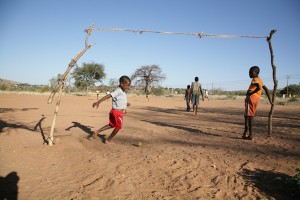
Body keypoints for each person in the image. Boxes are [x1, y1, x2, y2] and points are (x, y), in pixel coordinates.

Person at [92, 75, 131, 143]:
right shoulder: (118, 90)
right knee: (118, 127)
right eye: (127, 85)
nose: (128, 87)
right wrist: (98, 102)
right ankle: (108, 140)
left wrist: (126, 105)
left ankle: (97, 131)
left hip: (115, 111)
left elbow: (119, 101)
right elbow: (109, 95)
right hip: (117, 113)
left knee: (112, 125)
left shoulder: (122, 91)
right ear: (122, 84)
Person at [243, 66, 273, 140]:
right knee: (248, 115)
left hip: (251, 98)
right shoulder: (259, 79)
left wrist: (251, 93)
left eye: (250, 72)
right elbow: (266, 89)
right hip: (256, 99)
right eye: (249, 72)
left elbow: (259, 87)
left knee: (249, 116)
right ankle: (246, 132)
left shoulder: (254, 80)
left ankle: (250, 135)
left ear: (256, 73)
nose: (249, 74)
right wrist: (270, 100)